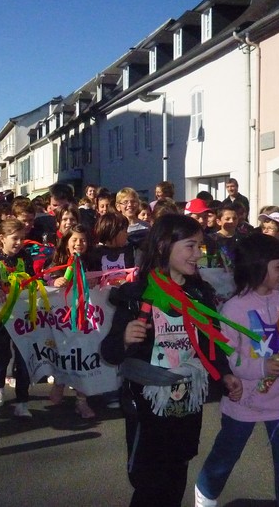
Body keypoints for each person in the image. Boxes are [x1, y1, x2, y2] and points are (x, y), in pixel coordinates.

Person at [101, 213, 242, 507]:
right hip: (146, 405)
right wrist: (124, 338)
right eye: (190, 246)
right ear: (164, 246)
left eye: (200, 246)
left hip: (187, 401)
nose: (198, 254)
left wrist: (225, 374)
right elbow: (110, 352)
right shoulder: (137, 295)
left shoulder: (199, 294)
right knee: (149, 481)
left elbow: (210, 342)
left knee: (178, 471)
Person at [195, 233, 279, 507]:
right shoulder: (233, 309)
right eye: (278, 266)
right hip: (244, 400)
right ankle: (206, 489)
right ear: (257, 267)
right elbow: (229, 357)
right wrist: (261, 366)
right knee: (226, 454)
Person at [0, 220, 36, 418]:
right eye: (15, 238)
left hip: (22, 314)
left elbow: (32, 277)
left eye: (22, 238)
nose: (19, 243)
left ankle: (22, 402)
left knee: (23, 358)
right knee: (2, 355)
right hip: (0, 316)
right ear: (2, 238)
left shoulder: (25, 257)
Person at [43, 224, 97, 419]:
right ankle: (60, 382)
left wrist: (95, 281)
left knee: (84, 357)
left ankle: (81, 401)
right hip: (62, 319)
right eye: (74, 239)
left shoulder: (91, 261)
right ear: (66, 243)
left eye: (83, 240)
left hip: (85, 318)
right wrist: (54, 282)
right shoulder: (57, 261)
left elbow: (101, 280)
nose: (79, 243)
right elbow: (46, 279)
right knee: (63, 353)